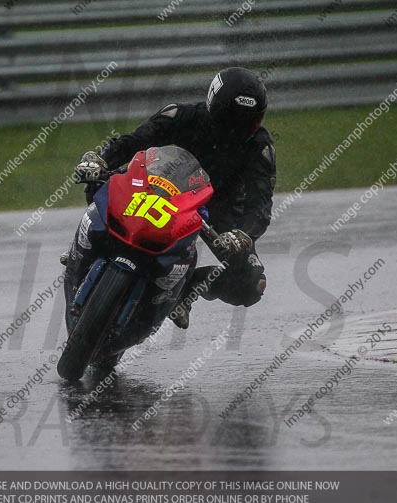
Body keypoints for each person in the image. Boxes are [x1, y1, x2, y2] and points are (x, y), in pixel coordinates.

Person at [73, 67, 276, 329]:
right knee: (99, 183)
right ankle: (88, 250)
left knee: (252, 282)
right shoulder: (180, 116)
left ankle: (187, 289)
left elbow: (260, 204)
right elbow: (133, 141)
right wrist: (100, 160)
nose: (237, 127)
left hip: (217, 210)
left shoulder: (260, 147)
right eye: (231, 117)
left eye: (248, 120)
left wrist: (243, 233)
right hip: (161, 187)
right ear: (214, 105)